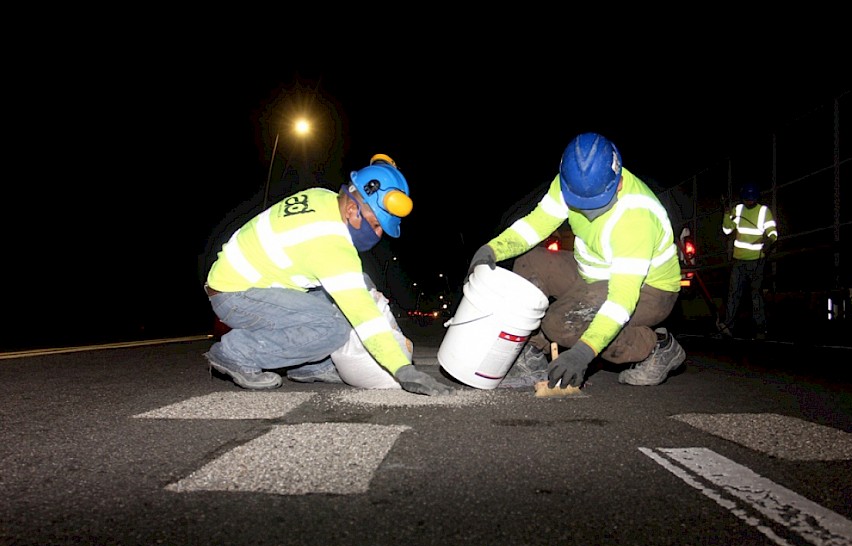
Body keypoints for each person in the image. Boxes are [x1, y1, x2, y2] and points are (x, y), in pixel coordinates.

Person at [203, 154, 455, 396]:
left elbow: (313, 264)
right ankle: (236, 353)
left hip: (246, 281)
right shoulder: (330, 243)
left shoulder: (322, 197)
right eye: (377, 224)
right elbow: (363, 316)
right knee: (333, 327)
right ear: (353, 211)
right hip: (237, 296)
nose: (378, 234)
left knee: (334, 306)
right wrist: (402, 370)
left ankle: (307, 365)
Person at [467, 132, 685, 389]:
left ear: (618, 183)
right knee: (531, 262)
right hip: (593, 270)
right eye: (578, 203)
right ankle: (532, 355)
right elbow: (537, 225)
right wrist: (493, 249)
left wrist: (584, 352)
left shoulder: (636, 218)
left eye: (596, 205)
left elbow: (621, 300)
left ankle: (656, 346)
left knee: (561, 324)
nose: (587, 212)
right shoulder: (569, 183)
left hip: (649, 290)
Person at [719, 182, 778, 340]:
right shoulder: (737, 210)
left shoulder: (763, 211)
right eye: (747, 199)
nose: (749, 202)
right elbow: (727, 230)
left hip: (756, 261)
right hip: (739, 261)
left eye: (751, 199)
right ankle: (728, 327)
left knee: (755, 295)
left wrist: (769, 240)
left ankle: (760, 329)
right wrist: (726, 214)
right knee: (734, 294)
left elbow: (773, 232)